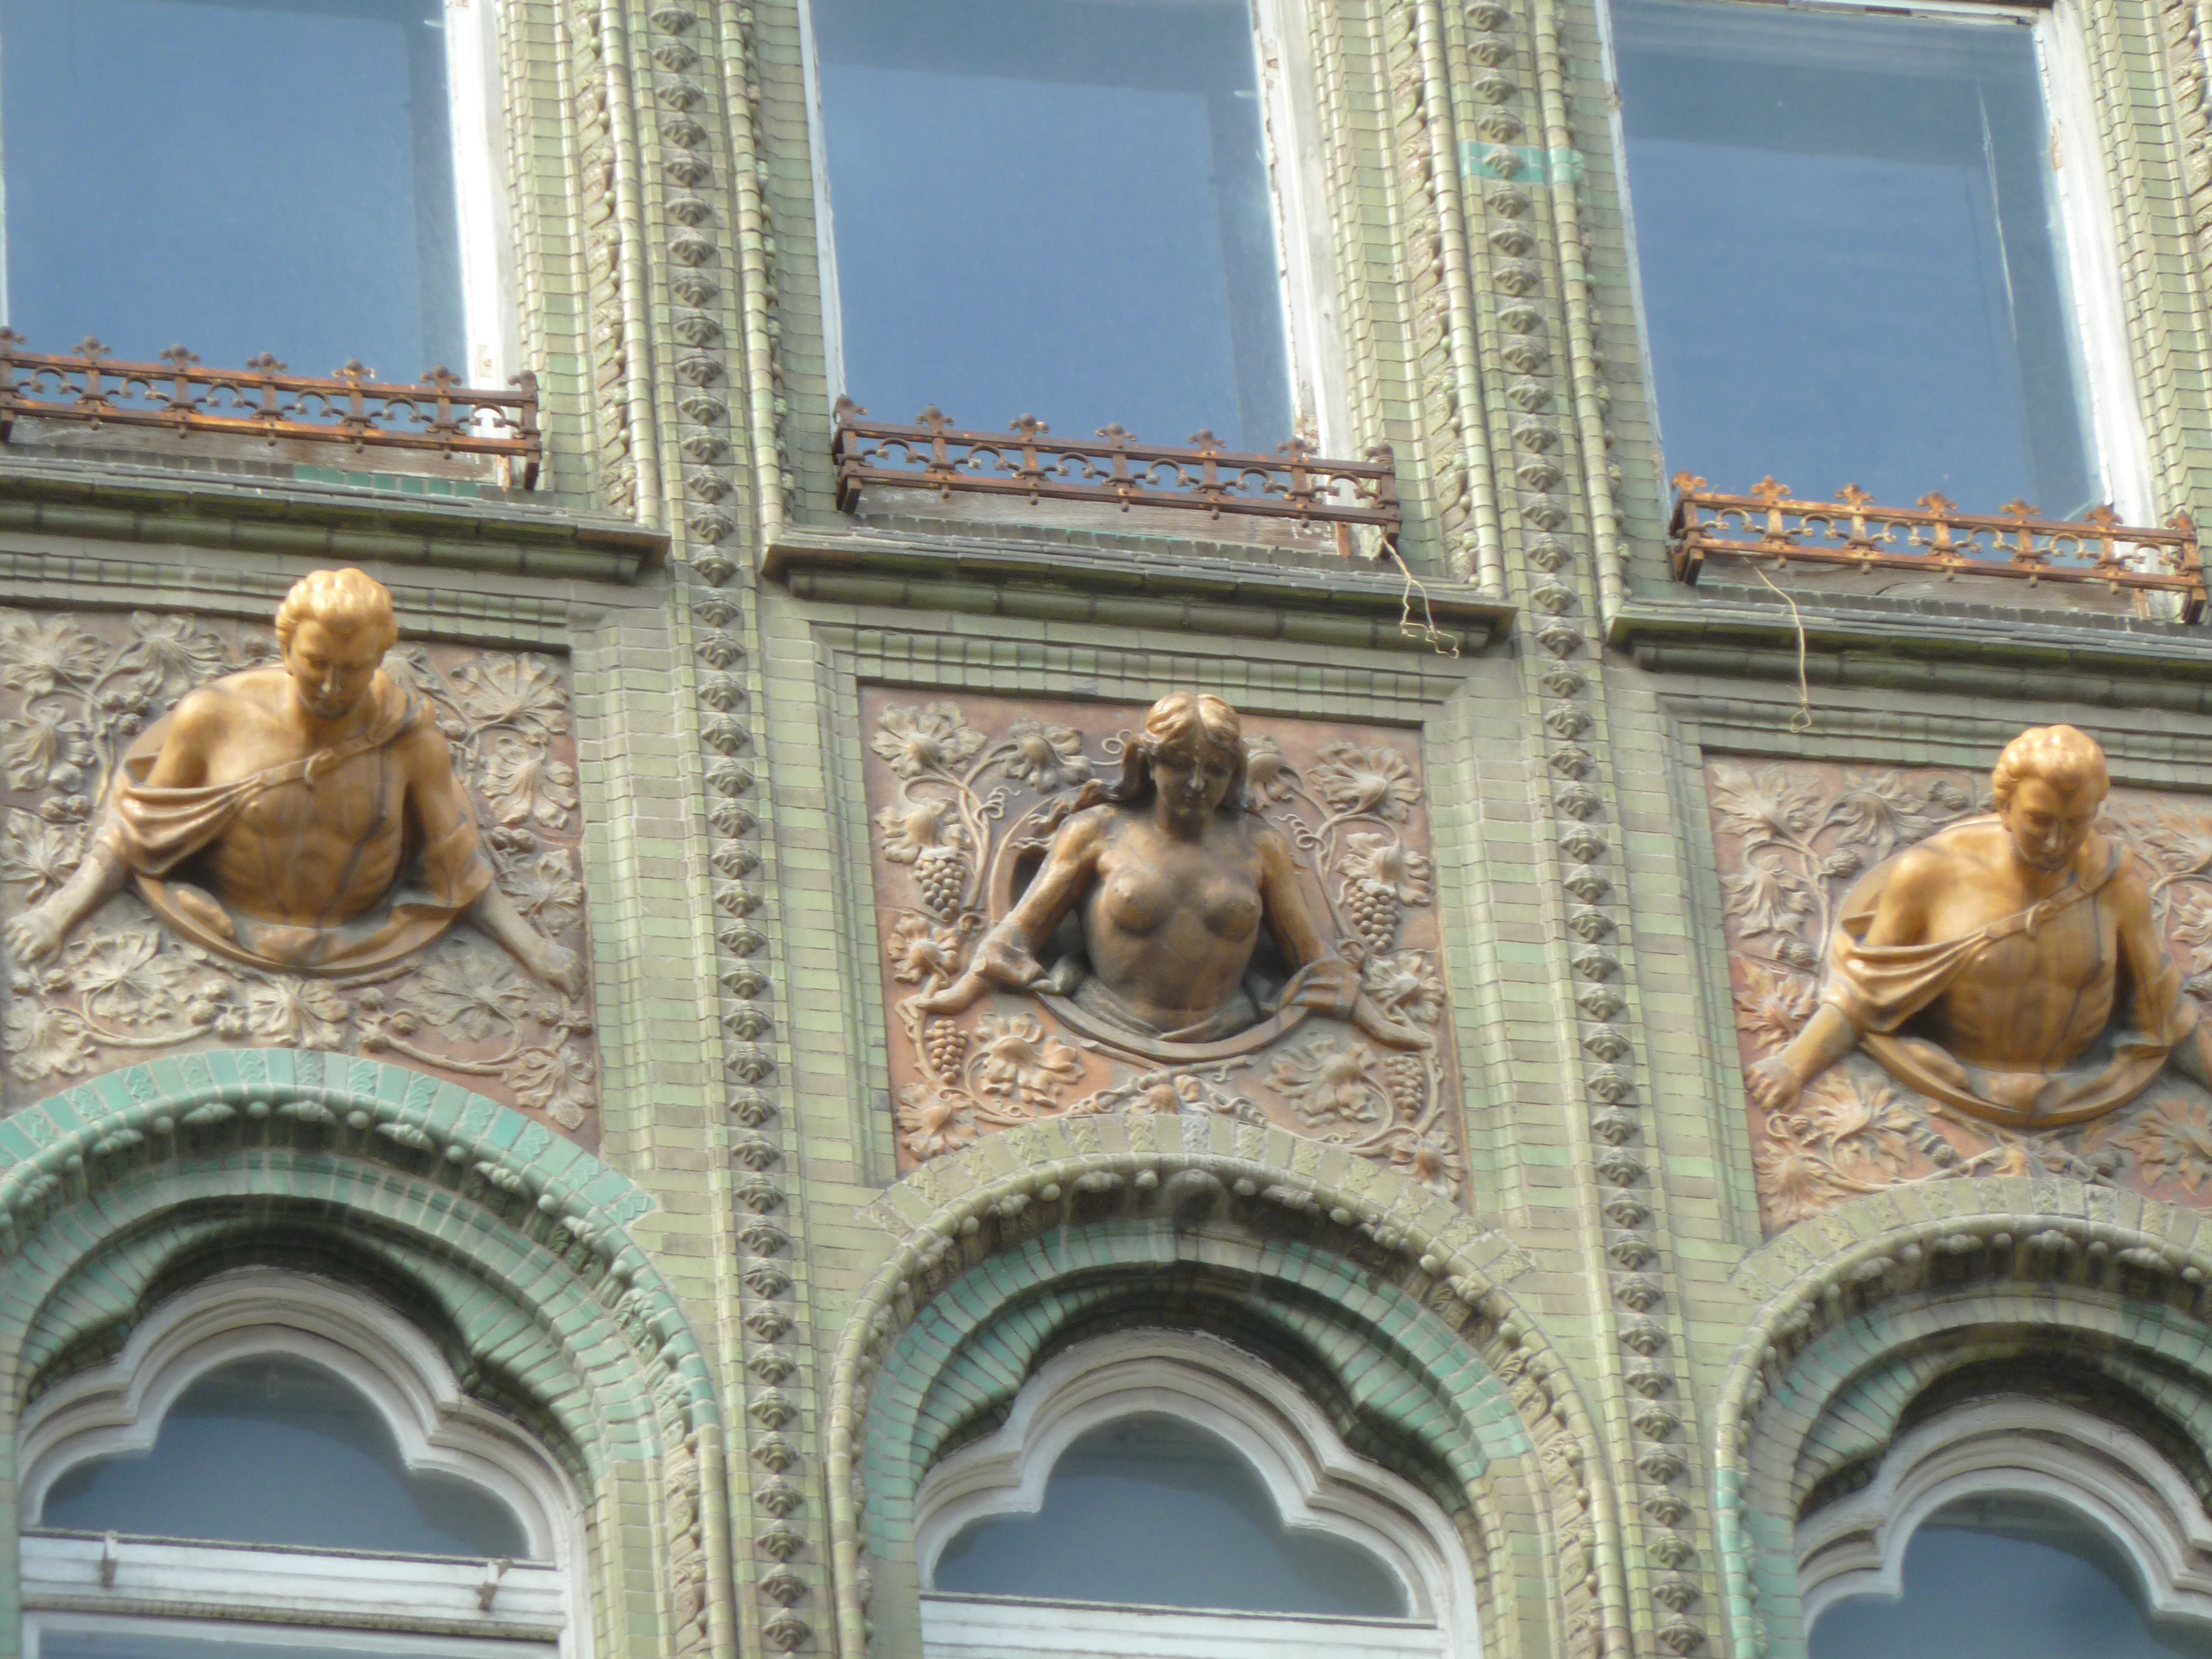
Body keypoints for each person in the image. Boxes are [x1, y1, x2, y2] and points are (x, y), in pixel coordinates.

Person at [2, 568, 582, 993]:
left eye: (353, 668)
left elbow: (457, 866)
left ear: (379, 659)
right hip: (219, 923)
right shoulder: (214, 717)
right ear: (286, 649)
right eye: (316, 663)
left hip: (363, 941)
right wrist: (57, 914)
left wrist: (535, 950)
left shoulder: (409, 740)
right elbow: (140, 831)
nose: (332, 686)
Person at [1747, 724, 2212, 1128]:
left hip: (2083, 1090)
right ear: (2004, 807)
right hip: (1947, 1076)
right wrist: (1794, 1064)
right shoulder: (1931, 873)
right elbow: (1865, 993)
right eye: (2039, 821)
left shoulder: (2115, 882)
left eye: (2076, 824)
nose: (2056, 842)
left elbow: (2164, 1011)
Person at [921, 691, 1421, 1048]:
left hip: (1227, 1025)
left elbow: (1309, 952)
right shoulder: (1097, 830)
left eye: (1217, 770)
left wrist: (1367, 1013)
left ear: (1235, 773)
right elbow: (1021, 930)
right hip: (1105, 1016)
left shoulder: (1258, 844)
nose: (1198, 783)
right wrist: (964, 989)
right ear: (1148, 762)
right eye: (1180, 764)